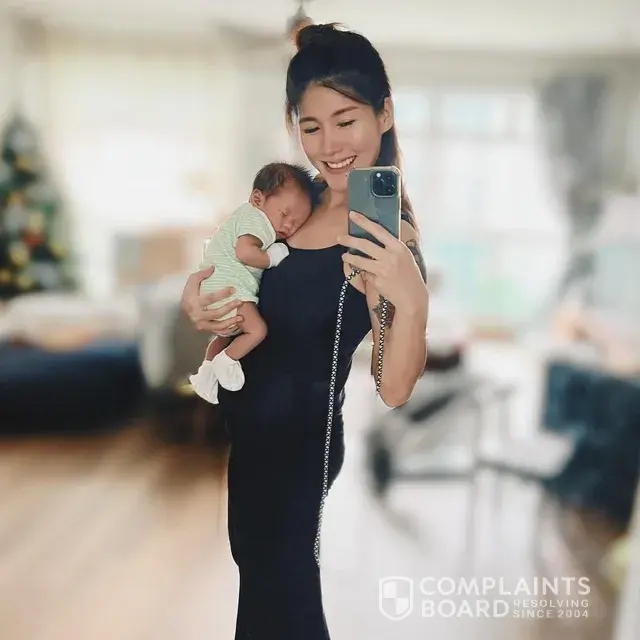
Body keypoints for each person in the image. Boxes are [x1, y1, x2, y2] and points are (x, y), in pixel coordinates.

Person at [180, 23, 429, 639]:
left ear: (384, 114)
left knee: (285, 591)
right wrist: (202, 296)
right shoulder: (293, 202)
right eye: (310, 126)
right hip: (249, 433)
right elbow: (238, 269)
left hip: (301, 445)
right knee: (256, 575)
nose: (329, 145)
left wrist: (411, 298)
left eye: (346, 120)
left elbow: (393, 386)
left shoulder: (386, 235)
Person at [188, 162, 315, 403]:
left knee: (223, 337)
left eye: (296, 222)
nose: (288, 225)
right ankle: (227, 360)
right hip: (230, 291)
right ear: (258, 199)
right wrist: (271, 257)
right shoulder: (257, 220)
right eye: (284, 214)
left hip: (214, 292)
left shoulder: (244, 217)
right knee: (256, 330)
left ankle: (206, 372)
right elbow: (245, 253)